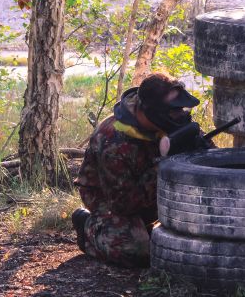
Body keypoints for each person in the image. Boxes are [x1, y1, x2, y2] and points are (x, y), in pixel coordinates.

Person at [71, 73, 213, 267]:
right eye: (175, 110)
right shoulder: (113, 140)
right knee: (137, 250)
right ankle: (88, 226)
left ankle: (145, 226)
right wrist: (166, 164)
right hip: (109, 199)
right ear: (153, 112)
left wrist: (202, 152)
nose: (181, 114)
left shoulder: (169, 123)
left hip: (151, 192)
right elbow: (124, 204)